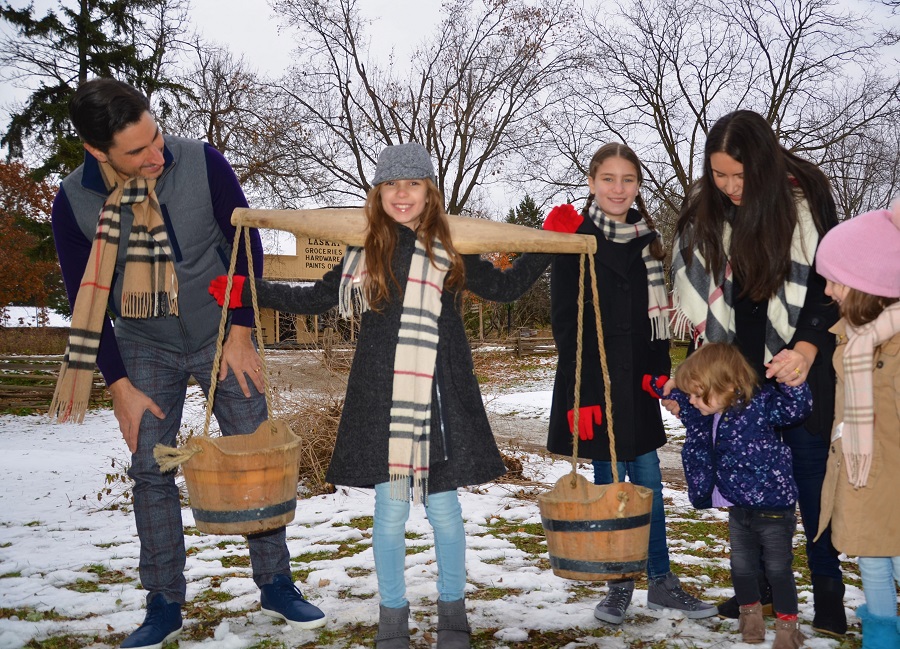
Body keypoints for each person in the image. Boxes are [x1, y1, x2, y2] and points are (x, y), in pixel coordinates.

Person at [210, 142, 551, 649]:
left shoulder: (454, 246)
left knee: (444, 511)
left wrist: (548, 242)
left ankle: (453, 615)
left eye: (412, 183)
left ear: (430, 191)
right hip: (383, 399)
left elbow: (505, 289)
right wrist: (248, 289)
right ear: (377, 194)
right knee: (390, 513)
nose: (402, 193)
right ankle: (392, 615)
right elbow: (319, 298)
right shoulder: (363, 249)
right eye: (391, 184)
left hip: (439, 399)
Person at [49, 78, 325, 649]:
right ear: (98, 152)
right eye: (138, 151)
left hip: (221, 332)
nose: (157, 155)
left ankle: (275, 582)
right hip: (143, 345)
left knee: (256, 451)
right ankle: (164, 600)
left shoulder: (203, 162)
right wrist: (117, 382)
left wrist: (242, 328)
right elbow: (86, 299)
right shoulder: (73, 201)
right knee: (151, 469)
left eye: (157, 136)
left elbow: (245, 244)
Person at [668, 109, 846, 634]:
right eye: (719, 174)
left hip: (797, 367)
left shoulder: (804, 195)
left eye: (739, 176)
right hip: (738, 378)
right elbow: (700, 294)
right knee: (748, 486)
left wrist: (809, 349)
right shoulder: (706, 210)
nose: (729, 186)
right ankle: (760, 594)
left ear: (763, 165)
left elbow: (829, 282)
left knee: (810, 485)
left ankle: (829, 595)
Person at [541, 142, 716, 625]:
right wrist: (582, 395)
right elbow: (564, 323)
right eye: (609, 179)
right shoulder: (576, 237)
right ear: (592, 182)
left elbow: (655, 325)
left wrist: (661, 376)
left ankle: (659, 581)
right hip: (594, 384)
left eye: (629, 180)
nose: (619, 189)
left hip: (636, 384)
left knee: (649, 483)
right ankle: (618, 584)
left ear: (638, 185)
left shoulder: (651, 242)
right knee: (610, 486)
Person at [655, 343, 810, 648]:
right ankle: (750, 619)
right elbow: (685, 404)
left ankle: (787, 629)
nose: (694, 401)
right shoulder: (707, 413)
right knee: (741, 568)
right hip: (739, 507)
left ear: (727, 385)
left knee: (778, 570)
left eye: (699, 395)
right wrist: (671, 392)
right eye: (692, 395)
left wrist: (794, 380)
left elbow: (795, 409)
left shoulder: (761, 403)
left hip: (774, 508)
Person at [813, 204, 900, 649]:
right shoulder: (851, 337)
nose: (826, 289)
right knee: (871, 561)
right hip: (863, 475)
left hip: (894, 479)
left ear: (870, 283)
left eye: (834, 280)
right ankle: (882, 637)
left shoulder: (894, 346)